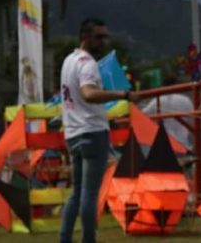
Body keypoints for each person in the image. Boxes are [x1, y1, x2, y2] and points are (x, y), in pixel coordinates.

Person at [59, 18, 139, 243]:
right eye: (99, 37)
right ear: (85, 37)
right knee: (89, 194)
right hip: (92, 132)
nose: (104, 41)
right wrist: (123, 95)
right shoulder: (88, 64)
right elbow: (88, 93)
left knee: (76, 193)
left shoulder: (68, 61)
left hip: (73, 133)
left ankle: (64, 238)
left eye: (105, 37)